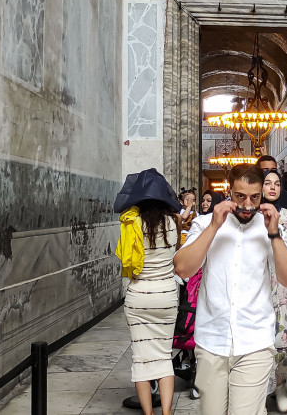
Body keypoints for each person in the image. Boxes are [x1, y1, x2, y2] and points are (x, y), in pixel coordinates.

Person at [174, 164, 287, 415]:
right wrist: (214, 227)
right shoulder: (204, 223)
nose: (247, 205)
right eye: (240, 196)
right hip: (211, 340)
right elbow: (182, 268)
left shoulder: (269, 227)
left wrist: (274, 235)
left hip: (255, 341)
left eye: (254, 197)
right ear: (229, 192)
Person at [115, 168, 182, 415]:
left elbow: (126, 259)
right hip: (166, 296)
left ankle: (148, 413)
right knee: (164, 356)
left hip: (139, 296)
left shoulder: (131, 223)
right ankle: (167, 412)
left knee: (141, 358)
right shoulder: (174, 222)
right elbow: (175, 253)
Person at [261, 168, 287, 412]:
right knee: (262, 338)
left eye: (277, 183)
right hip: (259, 283)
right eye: (268, 183)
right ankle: (260, 387)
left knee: (283, 339)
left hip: (284, 285)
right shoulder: (252, 214)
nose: (273, 187)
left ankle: (279, 385)